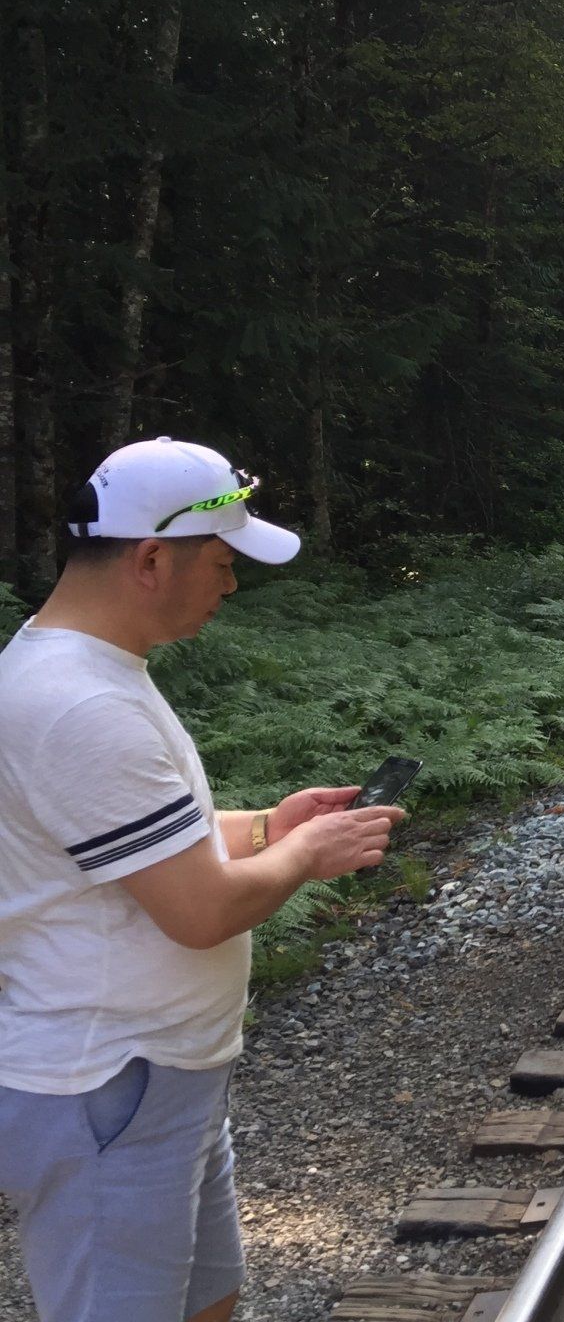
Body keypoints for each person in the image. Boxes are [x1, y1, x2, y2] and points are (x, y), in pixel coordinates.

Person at [0, 438, 404, 1322]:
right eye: (222, 564)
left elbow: (138, 844)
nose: (229, 585)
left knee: (207, 1300)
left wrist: (270, 825)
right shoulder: (82, 705)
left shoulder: (91, 674)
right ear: (152, 558)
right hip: (108, 1079)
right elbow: (199, 910)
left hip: (161, 1070)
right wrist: (309, 854)